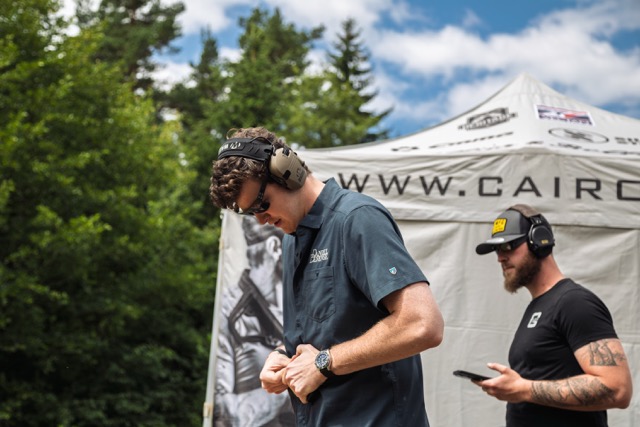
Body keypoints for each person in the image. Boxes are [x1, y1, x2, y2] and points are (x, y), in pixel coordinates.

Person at [209, 127, 444, 426]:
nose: (261, 219)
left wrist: (324, 363)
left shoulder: (357, 218)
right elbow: (323, 334)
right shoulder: (292, 239)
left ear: (287, 172)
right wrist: (282, 356)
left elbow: (423, 324)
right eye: (250, 213)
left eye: (261, 203)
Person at [474, 203, 632, 427]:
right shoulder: (541, 305)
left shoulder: (575, 303)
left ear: (539, 241)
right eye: (497, 250)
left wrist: (524, 389)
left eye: (508, 246)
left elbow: (618, 389)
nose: (501, 257)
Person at [213, 216, 294, 426]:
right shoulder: (231, 308)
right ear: (274, 247)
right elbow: (225, 409)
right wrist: (290, 380)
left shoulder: (300, 298)